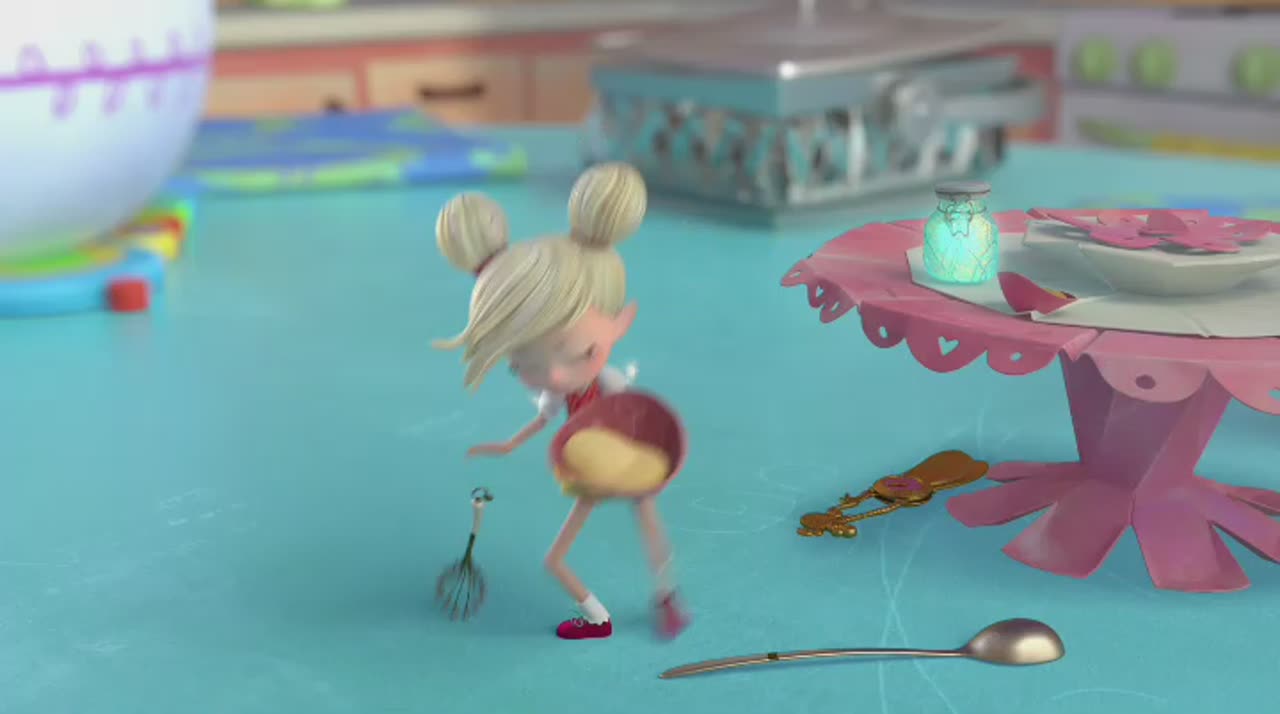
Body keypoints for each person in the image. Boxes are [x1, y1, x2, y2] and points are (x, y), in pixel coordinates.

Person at [433, 162, 689, 641]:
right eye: (522, 365)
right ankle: (610, 613)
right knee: (563, 556)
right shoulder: (558, 395)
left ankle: (659, 597)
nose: (553, 377)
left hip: (621, 460)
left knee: (640, 526)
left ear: (619, 323)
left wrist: (638, 453)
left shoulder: (610, 385)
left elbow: (636, 415)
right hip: (587, 468)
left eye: (582, 352)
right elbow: (547, 416)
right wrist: (507, 445)